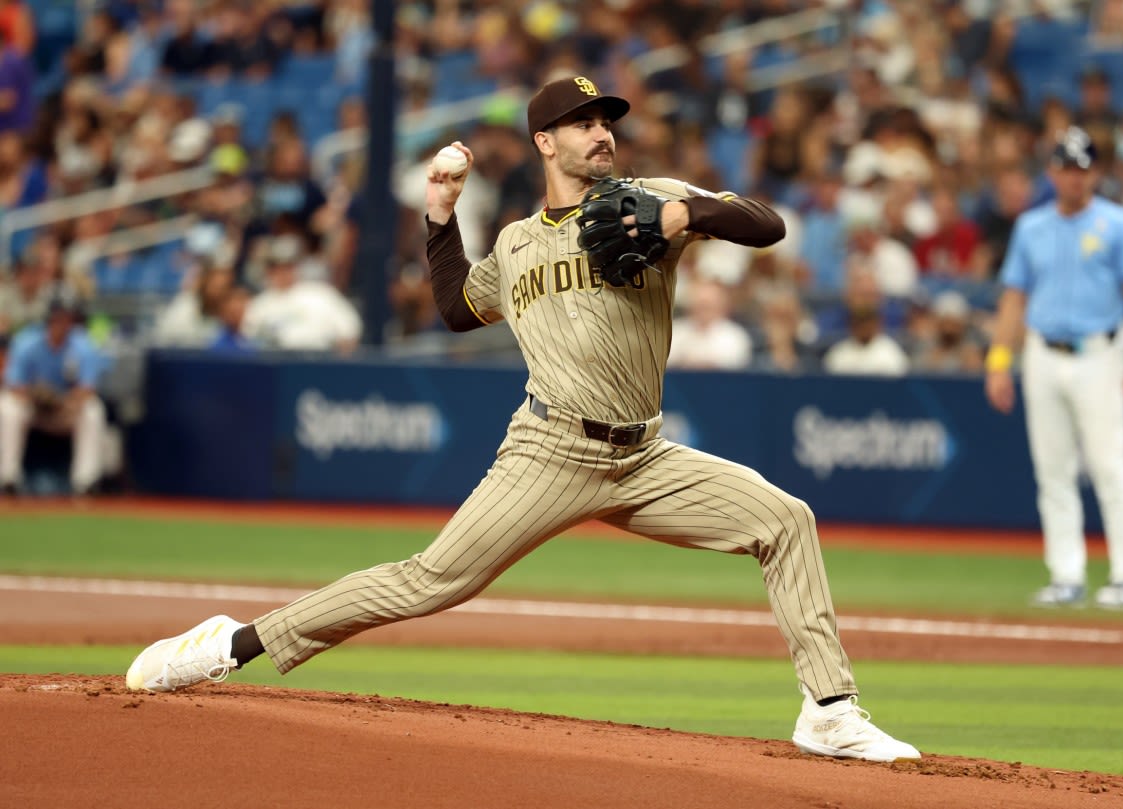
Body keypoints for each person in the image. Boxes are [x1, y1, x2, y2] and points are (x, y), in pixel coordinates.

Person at [124, 75, 920, 764]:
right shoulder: (514, 243)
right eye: (583, 123)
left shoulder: (649, 201)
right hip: (549, 450)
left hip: (644, 456)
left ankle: (829, 711)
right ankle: (232, 643)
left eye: (607, 121)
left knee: (785, 519)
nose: (601, 133)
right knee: (429, 580)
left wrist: (688, 218)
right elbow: (454, 308)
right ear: (545, 140)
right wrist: (439, 215)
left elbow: (765, 223)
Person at [985, 127, 1123, 611]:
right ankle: (1067, 574)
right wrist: (1000, 361)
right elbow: (1014, 297)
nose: (1073, 178)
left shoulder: (1118, 224)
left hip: (1100, 353)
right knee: (1052, 470)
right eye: (1064, 168)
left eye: (1081, 169)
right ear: (1051, 172)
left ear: (1095, 173)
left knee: (1110, 465)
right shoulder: (1032, 226)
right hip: (1041, 352)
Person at [0, 298, 108, 495]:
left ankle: (85, 482)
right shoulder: (26, 342)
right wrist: (35, 395)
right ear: (48, 320)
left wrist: (62, 401)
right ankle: (8, 479)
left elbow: (87, 388)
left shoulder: (82, 344)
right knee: (8, 408)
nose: (61, 323)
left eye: (66, 318)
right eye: (57, 318)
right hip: (33, 407)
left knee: (93, 410)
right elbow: (13, 384)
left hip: (65, 408)